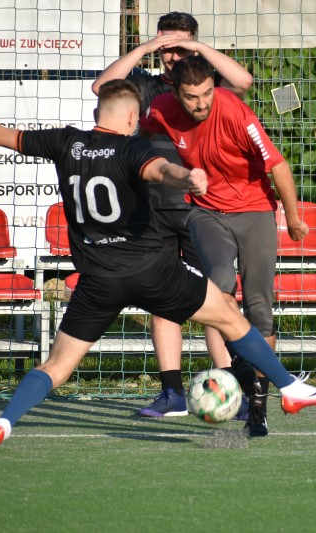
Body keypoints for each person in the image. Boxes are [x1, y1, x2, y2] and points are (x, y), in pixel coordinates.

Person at [0, 80, 316, 453]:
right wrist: (186, 178)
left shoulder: (65, 142)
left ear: (97, 114)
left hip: (97, 280)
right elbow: (160, 170)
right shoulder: (133, 146)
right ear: (132, 117)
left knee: (55, 367)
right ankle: (290, 388)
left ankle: (4, 421)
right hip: (152, 271)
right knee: (230, 316)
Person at [92, 11, 257, 420]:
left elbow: (243, 81)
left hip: (204, 210)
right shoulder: (145, 85)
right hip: (150, 211)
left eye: (180, 47)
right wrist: (148, 48)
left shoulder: (207, 87)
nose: (172, 55)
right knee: (162, 301)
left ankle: (230, 388)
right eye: (166, 48)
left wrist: (197, 49)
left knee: (218, 301)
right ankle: (171, 394)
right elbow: (100, 87)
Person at [139, 55, 310, 438]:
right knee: (217, 284)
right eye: (192, 97)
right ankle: (240, 369)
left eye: (206, 94)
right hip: (206, 212)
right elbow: (139, 138)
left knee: (260, 308)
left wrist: (293, 217)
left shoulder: (234, 111)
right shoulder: (161, 108)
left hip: (255, 210)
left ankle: (259, 409)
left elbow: (277, 165)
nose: (201, 103)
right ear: (175, 93)